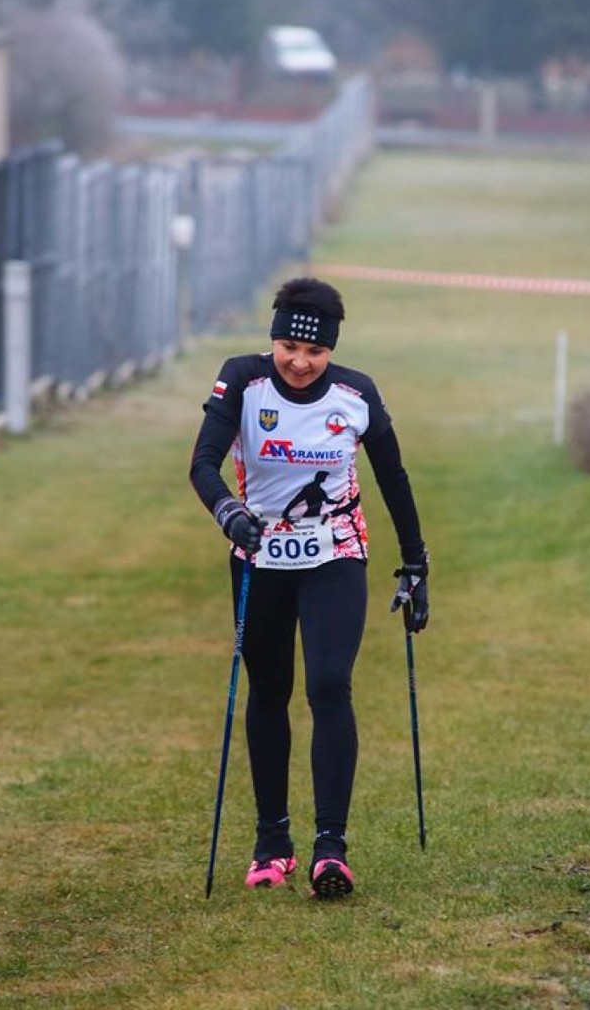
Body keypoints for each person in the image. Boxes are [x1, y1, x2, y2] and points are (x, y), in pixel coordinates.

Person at [189, 276, 429, 900]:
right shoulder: (243, 380)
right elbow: (203, 462)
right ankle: (273, 842)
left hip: (336, 553)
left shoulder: (356, 394)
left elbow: (394, 478)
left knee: (328, 685)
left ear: (330, 351)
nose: (299, 363)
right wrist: (229, 513)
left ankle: (331, 849)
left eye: (314, 353)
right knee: (269, 689)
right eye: (288, 349)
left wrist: (416, 565)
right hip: (258, 553)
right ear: (273, 339)